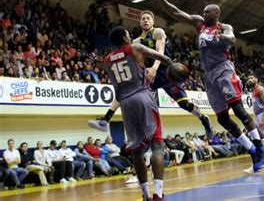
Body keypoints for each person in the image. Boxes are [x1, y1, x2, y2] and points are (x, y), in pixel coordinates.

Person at [148, 0, 264, 173]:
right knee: (222, 119)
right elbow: (177, 13)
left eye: (207, 12)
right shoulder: (199, 24)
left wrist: (224, 38)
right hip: (209, 75)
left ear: (217, 13)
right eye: (203, 12)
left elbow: (232, 37)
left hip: (224, 70)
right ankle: (252, 149)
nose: (204, 14)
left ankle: (260, 145)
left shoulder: (224, 27)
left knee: (238, 110)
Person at [89, 11, 213, 139]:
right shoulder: (136, 41)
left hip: (167, 73)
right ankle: (105, 119)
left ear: (153, 21)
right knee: (127, 89)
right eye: (143, 19)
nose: (145, 20)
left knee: (184, 104)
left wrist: (154, 67)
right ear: (140, 22)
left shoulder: (157, 32)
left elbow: (160, 51)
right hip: (149, 74)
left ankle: (204, 119)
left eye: (148, 18)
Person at [102, 26, 173, 201]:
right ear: (126, 38)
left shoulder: (107, 60)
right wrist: (173, 67)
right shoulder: (135, 47)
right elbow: (163, 58)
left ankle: (145, 195)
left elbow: (117, 90)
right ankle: (157, 193)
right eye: (128, 34)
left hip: (125, 103)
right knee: (157, 145)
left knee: (137, 151)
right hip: (142, 97)